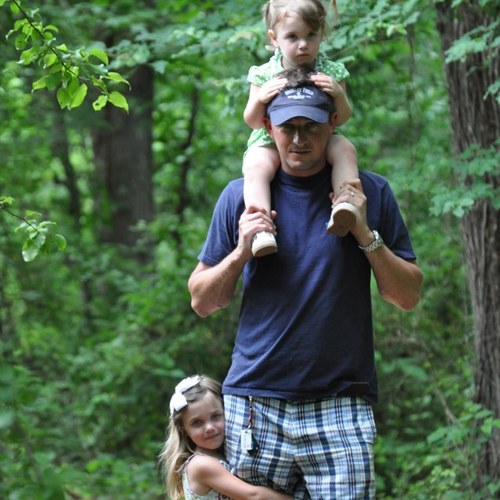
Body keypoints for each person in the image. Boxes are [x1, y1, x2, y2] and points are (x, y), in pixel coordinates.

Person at [188, 68, 423, 498]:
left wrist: (365, 235)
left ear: (332, 123)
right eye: (288, 127)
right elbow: (203, 300)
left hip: (341, 402)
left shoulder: (370, 193)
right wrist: (241, 251)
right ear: (267, 126)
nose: (299, 139)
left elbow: (406, 295)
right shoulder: (241, 196)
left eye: (311, 126)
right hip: (256, 404)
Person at [243, 0, 358, 257]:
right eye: (292, 37)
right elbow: (251, 120)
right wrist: (261, 98)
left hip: (321, 135)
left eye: (311, 35)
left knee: (345, 149)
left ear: (322, 34)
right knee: (256, 165)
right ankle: (261, 227)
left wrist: (338, 94)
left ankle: (345, 205)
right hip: (270, 138)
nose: (303, 44)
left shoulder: (331, 71)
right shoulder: (264, 73)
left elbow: (341, 118)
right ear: (275, 38)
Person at [159, 374, 292, 500]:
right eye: (197, 423)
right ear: (184, 430)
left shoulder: (220, 455)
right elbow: (253, 495)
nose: (209, 427)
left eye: (216, 416)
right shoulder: (201, 464)